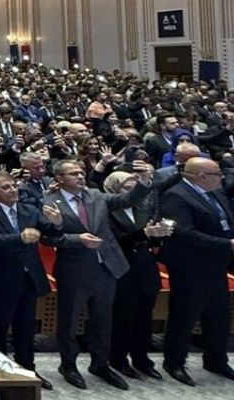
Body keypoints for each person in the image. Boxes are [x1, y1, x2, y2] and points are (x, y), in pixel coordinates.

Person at [40, 157, 153, 391]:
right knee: (69, 322)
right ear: (59, 179)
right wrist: (75, 238)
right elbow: (47, 237)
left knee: (103, 320)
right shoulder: (49, 200)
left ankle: (100, 364)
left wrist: (144, 180)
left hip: (107, 268)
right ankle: (68, 364)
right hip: (74, 271)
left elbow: (128, 198)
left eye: (81, 172)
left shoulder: (95, 195)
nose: (81, 176)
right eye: (73, 173)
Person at [158, 157, 234, 385]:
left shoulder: (215, 193)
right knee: (185, 315)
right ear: (200, 175)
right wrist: (227, 244)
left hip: (216, 265)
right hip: (189, 266)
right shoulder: (176, 196)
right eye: (217, 173)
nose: (221, 177)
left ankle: (216, 359)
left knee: (219, 315)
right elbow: (183, 232)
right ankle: (174, 362)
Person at [0, 171, 53, 390]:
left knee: (26, 327)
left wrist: (56, 222)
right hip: (1, 278)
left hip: (29, 277)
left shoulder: (29, 210)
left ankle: (27, 369)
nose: (13, 190)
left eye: (14, 185)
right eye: (6, 187)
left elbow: (48, 232)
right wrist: (18, 237)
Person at [102, 168, 169, 381]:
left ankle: (142, 358)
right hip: (122, 268)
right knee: (124, 316)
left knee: (144, 317)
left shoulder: (143, 208)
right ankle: (118, 359)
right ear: (114, 190)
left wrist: (158, 235)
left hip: (145, 266)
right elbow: (114, 240)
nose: (133, 193)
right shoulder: (105, 208)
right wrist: (143, 234)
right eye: (127, 188)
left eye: (135, 188)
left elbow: (148, 238)